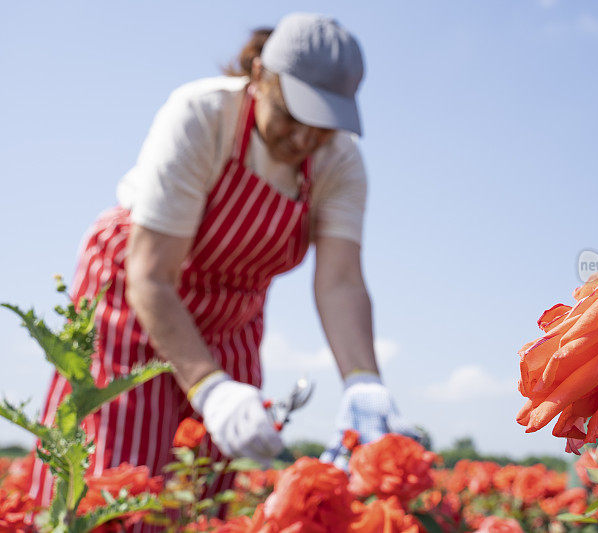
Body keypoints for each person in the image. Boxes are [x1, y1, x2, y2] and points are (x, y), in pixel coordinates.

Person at [29, 12, 416, 522]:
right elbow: (151, 274)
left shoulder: (339, 164)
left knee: (206, 483)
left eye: (322, 126)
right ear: (258, 76)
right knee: (117, 474)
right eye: (290, 114)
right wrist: (209, 387)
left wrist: (363, 379)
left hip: (233, 310)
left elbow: (340, 281)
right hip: (134, 293)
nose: (303, 140)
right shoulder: (203, 115)